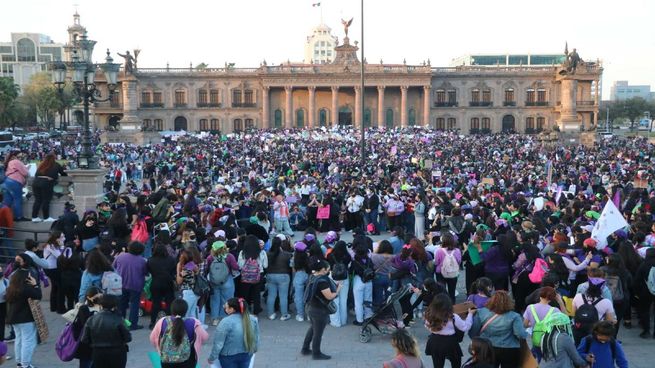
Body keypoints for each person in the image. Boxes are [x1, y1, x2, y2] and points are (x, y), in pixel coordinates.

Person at [469, 290, 528, 368]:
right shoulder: (515, 316)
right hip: (509, 349)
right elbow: (521, 334)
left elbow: (474, 331)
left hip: (487, 347)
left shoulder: (481, 312)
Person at [149, 299, 209, 368]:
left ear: (172, 310)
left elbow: (152, 338)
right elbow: (205, 337)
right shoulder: (193, 322)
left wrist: (159, 349)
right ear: (186, 310)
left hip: (167, 359)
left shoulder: (163, 321)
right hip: (188, 359)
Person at [301, 260, 342, 360]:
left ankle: (305, 349)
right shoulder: (322, 282)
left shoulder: (313, 276)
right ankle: (316, 353)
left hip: (311, 307)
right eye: (328, 269)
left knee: (312, 329)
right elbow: (329, 297)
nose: (329, 271)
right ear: (323, 270)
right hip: (319, 310)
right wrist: (338, 290)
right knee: (318, 333)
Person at [424, 293, 475, 368]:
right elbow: (465, 327)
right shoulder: (453, 316)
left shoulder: (429, 314)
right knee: (456, 362)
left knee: (437, 364)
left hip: (434, 340)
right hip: (450, 342)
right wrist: (470, 314)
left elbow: (427, 326)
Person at [80, 295, 132, 368]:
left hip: (98, 353)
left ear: (100, 305)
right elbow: (128, 338)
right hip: (117, 353)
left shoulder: (91, 319)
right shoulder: (119, 319)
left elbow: (85, 339)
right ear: (114, 307)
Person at [6, 265, 41, 368]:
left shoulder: (11, 288)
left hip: (14, 318)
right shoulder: (26, 289)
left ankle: (19, 363)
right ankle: (25, 364)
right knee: (28, 341)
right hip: (26, 318)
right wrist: (35, 285)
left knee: (19, 339)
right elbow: (38, 295)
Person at [208, 297, 259, 368]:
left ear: (231, 309)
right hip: (247, 353)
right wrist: (254, 349)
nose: (224, 308)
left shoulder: (225, 322)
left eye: (225, 306)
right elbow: (256, 337)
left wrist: (212, 357)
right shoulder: (253, 319)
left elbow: (218, 343)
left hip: (228, 356)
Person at [113, 241, 148, 330]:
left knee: (122, 304)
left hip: (121, 284)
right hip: (136, 285)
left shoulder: (120, 256)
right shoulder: (142, 261)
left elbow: (114, 266)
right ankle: (133, 324)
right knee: (134, 305)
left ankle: (121, 322)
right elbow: (145, 273)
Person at [207, 241, 238, 326]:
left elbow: (207, 268)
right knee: (227, 300)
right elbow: (235, 267)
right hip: (227, 281)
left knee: (214, 300)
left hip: (214, 282)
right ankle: (224, 318)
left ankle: (215, 319)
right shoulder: (229, 256)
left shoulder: (210, 257)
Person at [31, 153, 66, 222]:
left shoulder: (42, 164)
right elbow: (63, 174)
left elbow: (36, 174)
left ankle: (34, 217)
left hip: (36, 182)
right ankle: (46, 217)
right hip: (46, 183)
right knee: (46, 200)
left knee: (37, 200)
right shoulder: (56, 165)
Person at [72, 287, 103, 368]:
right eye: (96, 297)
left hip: (97, 344)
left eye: (101, 297)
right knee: (86, 364)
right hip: (86, 345)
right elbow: (87, 325)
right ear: (89, 297)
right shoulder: (84, 308)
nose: (99, 299)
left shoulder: (101, 307)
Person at [237, 235, 267, 315]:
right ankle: (256, 309)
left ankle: (245, 310)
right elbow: (265, 265)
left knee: (244, 294)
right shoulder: (262, 252)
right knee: (256, 293)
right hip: (258, 275)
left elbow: (240, 265)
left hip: (245, 276)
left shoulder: (242, 253)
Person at [265, 236, 292, 321]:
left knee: (271, 295)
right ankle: (284, 315)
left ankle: (270, 314)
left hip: (270, 275)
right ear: (281, 244)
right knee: (283, 296)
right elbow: (291, 265)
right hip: (283, 276)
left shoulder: (267, 253)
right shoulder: (286, 254)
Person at [327, 240, 352, 327]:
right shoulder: (347, 256)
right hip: (344, 278)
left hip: (333, 278)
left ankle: (335, 322)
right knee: (343, 300)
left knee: (334, 299)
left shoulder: (330, 255)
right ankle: (343, 320)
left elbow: (328, 266)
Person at [633, 247, 655, 339]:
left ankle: (646, 330)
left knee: (645, 310)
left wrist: (636, 292)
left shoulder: (644, 264)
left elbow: (637, 280)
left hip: (645, 291)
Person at [434, 232, 461, 303]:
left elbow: (436, 262)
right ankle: (452, 308)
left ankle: (443, 307)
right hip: (453, 272)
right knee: (452, 292)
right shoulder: (457, 251)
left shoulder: (439, 251)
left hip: (440, 273)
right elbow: (459, 261)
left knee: (442, 292)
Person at [351, 243, 374, 326]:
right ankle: (369, 317)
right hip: (369, 281)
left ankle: (359, 320)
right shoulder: (369, 260)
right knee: (368, 300)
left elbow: (351, 271)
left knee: (358, 302)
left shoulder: (354, 261)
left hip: (359, 281)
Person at [3, 151, 29, 221]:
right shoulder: (17, 161)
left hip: (8, 181)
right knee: (17, 199)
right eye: (21, 155)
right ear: (17, 155)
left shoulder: (10, 162)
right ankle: (18, 217)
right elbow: (25, 173)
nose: (22, 156)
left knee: (7, 201)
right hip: (15, 181)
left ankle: (3, 216)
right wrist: (27, 168)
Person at [43, 230, 65, 313]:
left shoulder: (52, 245)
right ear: (57, 238)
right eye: (62, 237)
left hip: (52, 268)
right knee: (60, 287)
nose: (64, 238)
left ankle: (54, 306)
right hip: (52, 269)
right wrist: (62, 246)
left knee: (55, 287)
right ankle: (60, 308)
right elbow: (60, 256)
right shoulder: (51, 246)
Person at [57, 246, 83, 312]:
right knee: (77, 296)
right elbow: (83, 266)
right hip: (76, 278)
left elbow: (59, 268)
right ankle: (78, 311)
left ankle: (70, 311)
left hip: (65, 278)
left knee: (69, 297)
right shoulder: (78, 257)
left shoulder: (60, 258)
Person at [177, 248, 200, 319]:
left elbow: (179, 281)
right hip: (194, 292)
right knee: (192, 313)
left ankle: (184, 328)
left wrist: (179, 273)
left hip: (188, 292)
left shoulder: (185, 269)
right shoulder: (193, 265)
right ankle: (193, 328)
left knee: (185, 313)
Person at [292, 241, 310, 322]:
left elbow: (293, 269)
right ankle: (309, 315)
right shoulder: (308, 257)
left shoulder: (294, 257)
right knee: (309, 296)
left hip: (299, 275)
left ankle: (300, 315)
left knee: (298, 297)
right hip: (308, 275)